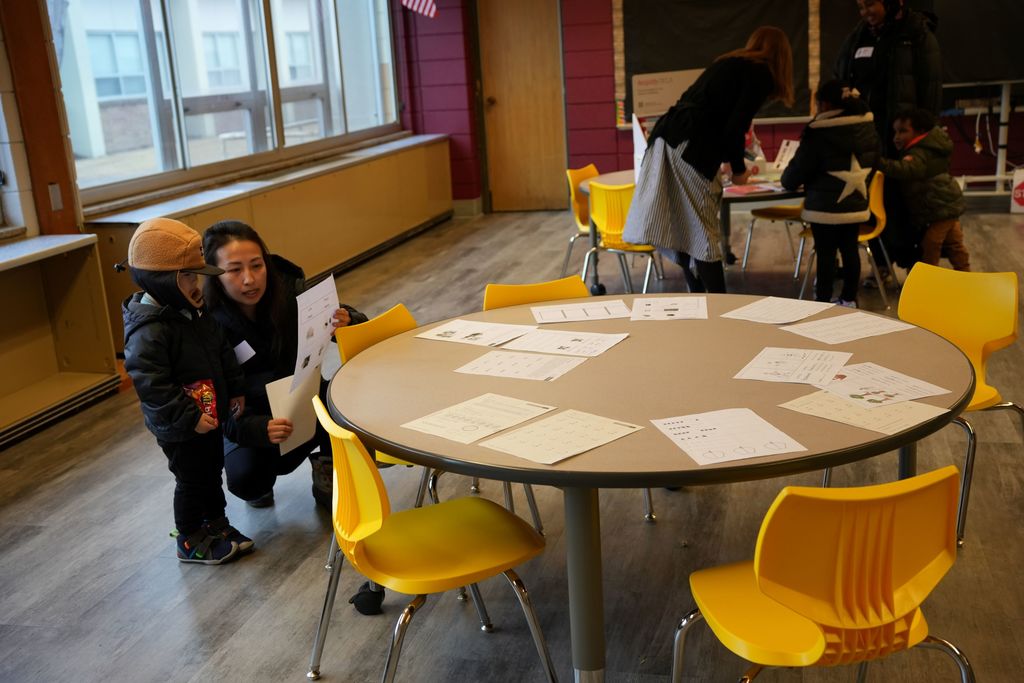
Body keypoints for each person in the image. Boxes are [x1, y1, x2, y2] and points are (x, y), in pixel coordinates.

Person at [201, 220, 368, 510]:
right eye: (234, 270)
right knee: (247, 480)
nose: (250, 279)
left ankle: (327, 467)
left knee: (344, 402)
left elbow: (360, 329)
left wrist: (348, 322)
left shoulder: (291, 290)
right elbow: (215, 403)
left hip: (305, 399)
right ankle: (261, 480)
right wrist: (257, 428)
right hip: (250, 416)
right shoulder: (207, 323)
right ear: (215, 275)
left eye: (256, 265)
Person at [624, 26, 794, 293]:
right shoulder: (761, 72)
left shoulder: (729, 62)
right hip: (690, 144)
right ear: (783, 56)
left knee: (681, 224)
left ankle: (699, 296)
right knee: (701, 229)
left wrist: (725, 157)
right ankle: (717, 303)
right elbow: (736, 125)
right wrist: (738, 170)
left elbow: (720, 118)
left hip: (666, 136)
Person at [122, 217, 252, 565]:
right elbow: (153, 386)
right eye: (189, 277)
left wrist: (235, 389)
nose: (197, 285)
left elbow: (220, 349)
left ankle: (217, 524)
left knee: (212, 472)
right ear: (162, 282)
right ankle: (190, 538)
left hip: (207, 417)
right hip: (180, 426)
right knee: (193, 479)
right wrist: (189, 417)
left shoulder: (192, 311)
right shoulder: (148, 332)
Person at [834, 0, 942, 276]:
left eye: (870, 4)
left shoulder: (917, 35)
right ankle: (880, 266)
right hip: (868, 135)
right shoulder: (858, 36)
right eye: (859, 7)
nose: (865, 12)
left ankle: (914, 271)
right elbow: (840, 75)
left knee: (907, 204)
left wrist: (922, 138)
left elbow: (930, 88)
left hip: (904, 136)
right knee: (873, 200)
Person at [781, 81, 881, 306]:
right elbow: (875, 162)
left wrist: (787, 181)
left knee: (826, 253)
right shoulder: (868, 128)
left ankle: (823, 301)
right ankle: (849, 299)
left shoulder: (818, 132)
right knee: (850, 250)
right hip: (855, 204)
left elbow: (797, 172)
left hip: (823, 208)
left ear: (824, 103)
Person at [880, 107, 969, 270]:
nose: (896, 137)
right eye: (895, 132)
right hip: (945, 206)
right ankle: (967, 277)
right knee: (955, 244)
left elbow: (907, 170)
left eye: (903, 131)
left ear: (920, 131)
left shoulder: (919, 151)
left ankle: (929, 280)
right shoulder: (932, 146)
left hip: (940, 208)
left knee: (930, 244)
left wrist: (879, 163)